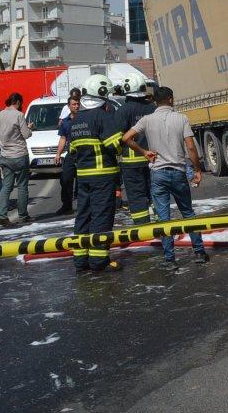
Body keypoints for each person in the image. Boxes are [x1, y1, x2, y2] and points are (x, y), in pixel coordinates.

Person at [123, 86, 209, 270]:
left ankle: (170, 259)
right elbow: (191, 147)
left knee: (164, 218)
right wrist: (197, 169)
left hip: (158, 173)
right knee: (188, 213)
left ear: (155, 101)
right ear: (170, 99)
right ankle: (199, 252)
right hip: (178, 172)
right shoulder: (181, 118)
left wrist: (144, 152)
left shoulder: (147, 120)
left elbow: (126, 138)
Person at [67, 77, 125, 273]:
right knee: (101, 216)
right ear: (102, 94)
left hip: (83, 178)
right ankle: (99, 260)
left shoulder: (76, 120)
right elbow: (115, 146)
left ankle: (80, 259)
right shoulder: (102, 116)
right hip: (103, 176)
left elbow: (72, 151)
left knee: (83, 216)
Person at [115, 72, 157, 225]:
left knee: (136, 196)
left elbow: (118, 137)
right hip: (153, 159)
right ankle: (161, 225)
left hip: (131, 163)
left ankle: (142, 226)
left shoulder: (122, 111)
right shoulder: (152, 108)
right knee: (155, 193)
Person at [0, 92, 34, 227]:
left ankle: (1, 215)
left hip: (5, 156)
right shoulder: (19, 115)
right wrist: (30, 128)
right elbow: (26, 135)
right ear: (18, 102)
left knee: (6, 186)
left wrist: (3, 140)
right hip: (20, 155)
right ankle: (23, 215)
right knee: (22, 186)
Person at [52, 95, 82, 216]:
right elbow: (63, 138)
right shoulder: (65, 122)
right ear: (69, 106)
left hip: (83, 154)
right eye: (74, 104)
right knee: (65, 179)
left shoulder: (84, 119)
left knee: (82, 181)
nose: (76, 106)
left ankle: (83, 206)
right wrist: (58, 154)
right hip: (71, 154)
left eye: (78, 104)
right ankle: (66, 205)